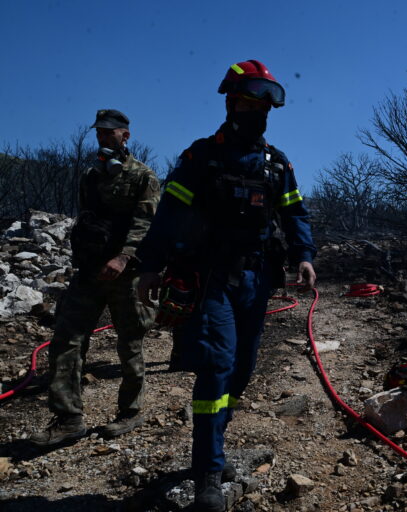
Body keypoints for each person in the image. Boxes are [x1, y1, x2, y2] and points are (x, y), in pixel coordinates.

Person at [135, 59, 316, 512]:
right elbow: (168, 217)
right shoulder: (201, 158)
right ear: (233, 103)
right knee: (216, 367)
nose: (261, 112)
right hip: (210, 277)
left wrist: (305, 256)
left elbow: (295, 214)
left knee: (242, 370)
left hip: (257, 279)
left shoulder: (277, 164)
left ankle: (215, 441)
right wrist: (150, 265)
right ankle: (208, 472)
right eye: (253, 101)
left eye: (267, 104)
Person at [31, 109, 161, 446]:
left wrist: (122, 258)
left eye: (110, 133)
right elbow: (87, 219)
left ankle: (130, 411)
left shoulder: (144, 176)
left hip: (125, 274)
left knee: (130, 342)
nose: (103, 138)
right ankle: (68, 417)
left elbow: (145, 224)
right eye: (100, 133)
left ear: (125, 136)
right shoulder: (91, 176)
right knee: (66, 340)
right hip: (89, 273)